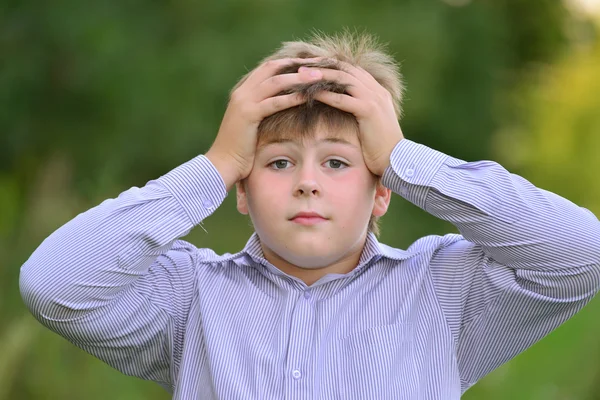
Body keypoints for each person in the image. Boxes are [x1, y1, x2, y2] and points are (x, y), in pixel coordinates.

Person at [19, 31, 600, 399]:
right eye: (276, 163)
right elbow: (53, 284)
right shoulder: (190, 296)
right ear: (242, 190)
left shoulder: (443, 292)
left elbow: (580, 254)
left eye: (338, 163)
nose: (306, 183)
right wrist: (215, 164)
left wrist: (403, 157)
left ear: (381, 192)